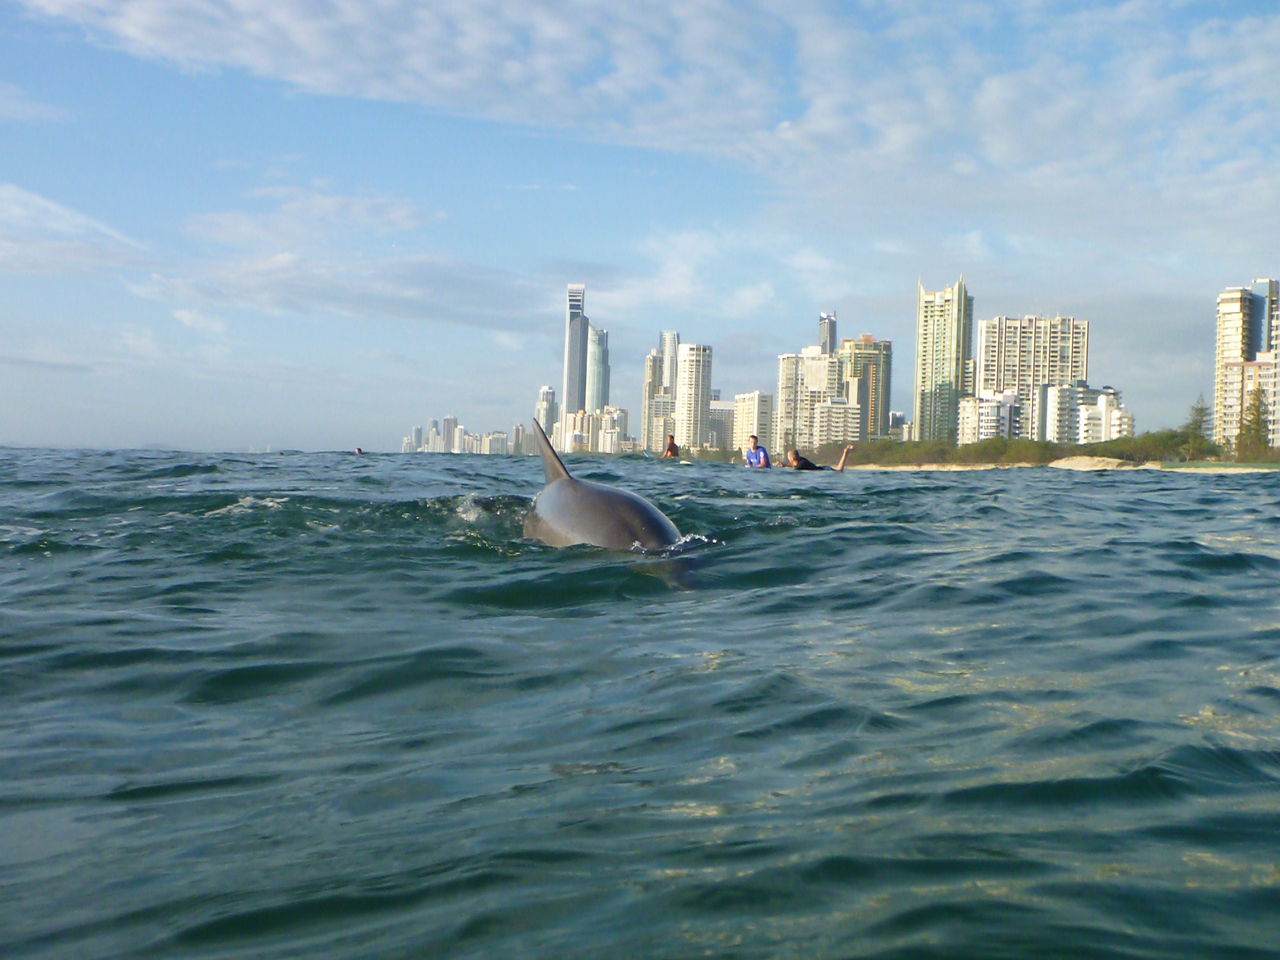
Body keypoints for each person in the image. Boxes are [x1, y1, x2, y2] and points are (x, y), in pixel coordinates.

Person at [783, 445, 857, 472]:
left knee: (839, 470)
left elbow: (796, 468)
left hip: (825, 470)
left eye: (788, 457)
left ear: (791, 458)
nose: (788, 459)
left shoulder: (801, 464)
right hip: (824, 468)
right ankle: (845, 452)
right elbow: (794, 464)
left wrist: (786, 466)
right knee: (839, 470)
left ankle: (845, 452)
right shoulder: (802, 460)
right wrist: (785, 465)